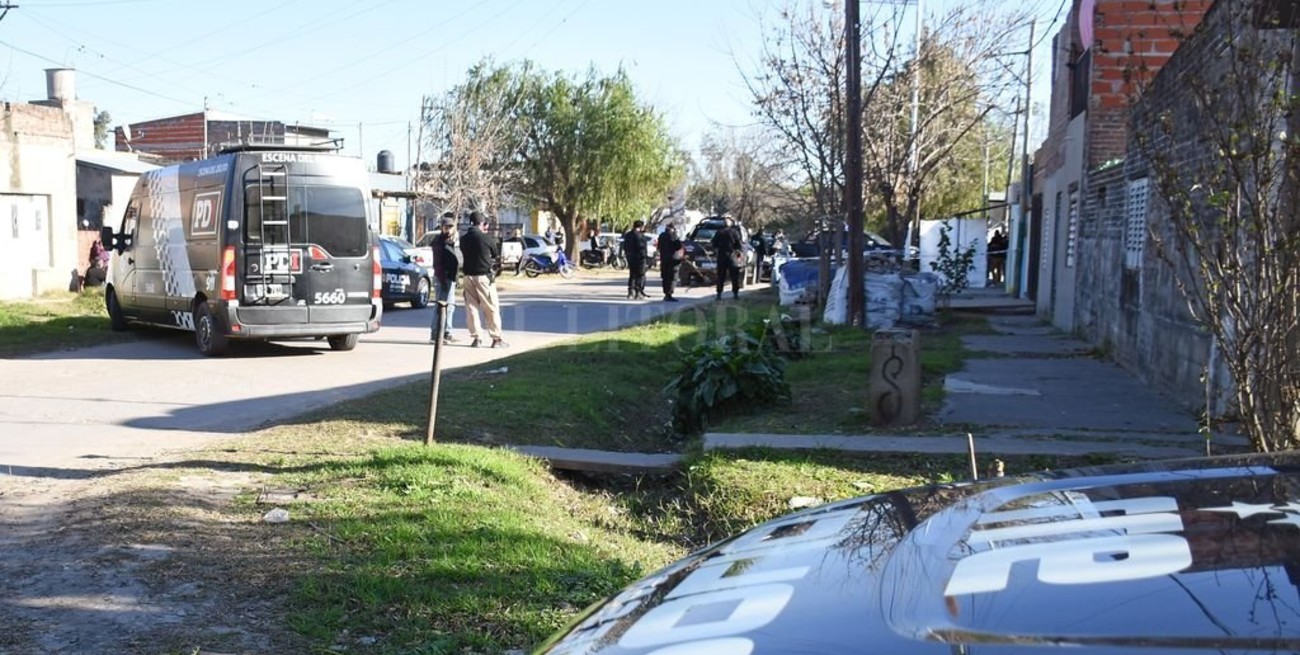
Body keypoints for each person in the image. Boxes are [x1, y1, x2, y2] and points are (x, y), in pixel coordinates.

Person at [459, 211, 508, 348]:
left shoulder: (464, 239)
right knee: (490, 307)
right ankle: (496, 338)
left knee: (471, 308)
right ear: (481, 224)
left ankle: (477, 338)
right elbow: (495, 253)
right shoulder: (486, 238)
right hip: (483, 276)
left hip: (468, 276)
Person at [428, 212, 462, 344]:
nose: (448, 229)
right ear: (442, 227)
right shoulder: (439, 243)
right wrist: (442, 280)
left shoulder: (451, 241)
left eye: (451, 227)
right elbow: (437, 264)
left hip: (451, 278)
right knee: (440, 307)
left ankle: (447, 332)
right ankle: (435, 334)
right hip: (443, 278)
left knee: (450, 307)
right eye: (446, 227)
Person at [711, 215, 744, 300]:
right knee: (734, 276)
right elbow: (739, 245)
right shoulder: (735, 232)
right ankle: (735, 294)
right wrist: (739, 255)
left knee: (720, 276)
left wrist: (717, 250)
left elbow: (714, 243)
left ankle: (719, 294)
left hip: (721, 256)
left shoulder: (719, 232)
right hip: (732, 256)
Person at [656, 224, 684, 302]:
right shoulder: (673, 235)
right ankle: (669, 294)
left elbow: (659, 247)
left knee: (665, 277)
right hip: (673, 259)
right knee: (673, 277)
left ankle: (666, 293)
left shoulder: (661, 236)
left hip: (664, 259)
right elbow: (678, 246)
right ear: (672, 229)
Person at [623, 220, 648, 299]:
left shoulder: (628, 235)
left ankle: (631, 291)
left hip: (630, 257)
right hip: (639, 258)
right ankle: (638, 292)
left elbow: (625, 246)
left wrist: (627, 254)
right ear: (640, 227)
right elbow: (641, 247)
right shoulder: (640, 235)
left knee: (632, 274)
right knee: (640, 275)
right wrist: (644, 256)